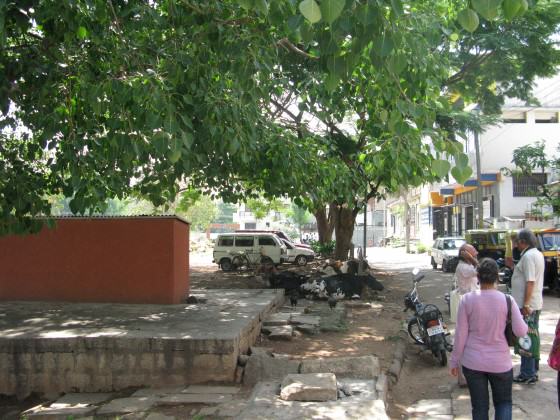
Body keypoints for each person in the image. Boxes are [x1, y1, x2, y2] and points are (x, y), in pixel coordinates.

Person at [450, 258, 528, 420]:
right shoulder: (507, 300)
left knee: (479, 406)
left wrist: (454, 361)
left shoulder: (467, 300)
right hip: (500, 363)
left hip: (472, 363)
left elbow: (460, 334)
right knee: (503, 403)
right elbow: (520, 331)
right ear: (497, 277)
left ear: (477, 277)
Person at [510, 228, 545, 384]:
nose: (516, 245)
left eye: (517, 242)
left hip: (527, 305)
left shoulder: (530, 256)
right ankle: (532, 370)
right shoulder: (534, 254)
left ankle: (528, 372)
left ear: (523, 242)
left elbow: (530, 281)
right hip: (531, 304)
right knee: (531, 336)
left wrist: (525, 304)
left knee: (526, 338)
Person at [452, 243, 479, 386]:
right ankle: (463, 377)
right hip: (468, 305)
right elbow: (482, 270)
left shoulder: (467, 267)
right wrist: (473, 259)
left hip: (471, 304)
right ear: (465, 254)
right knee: (464, 340)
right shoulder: (464, 267)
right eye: (472, 251)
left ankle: (467, 375)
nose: (476, 252)